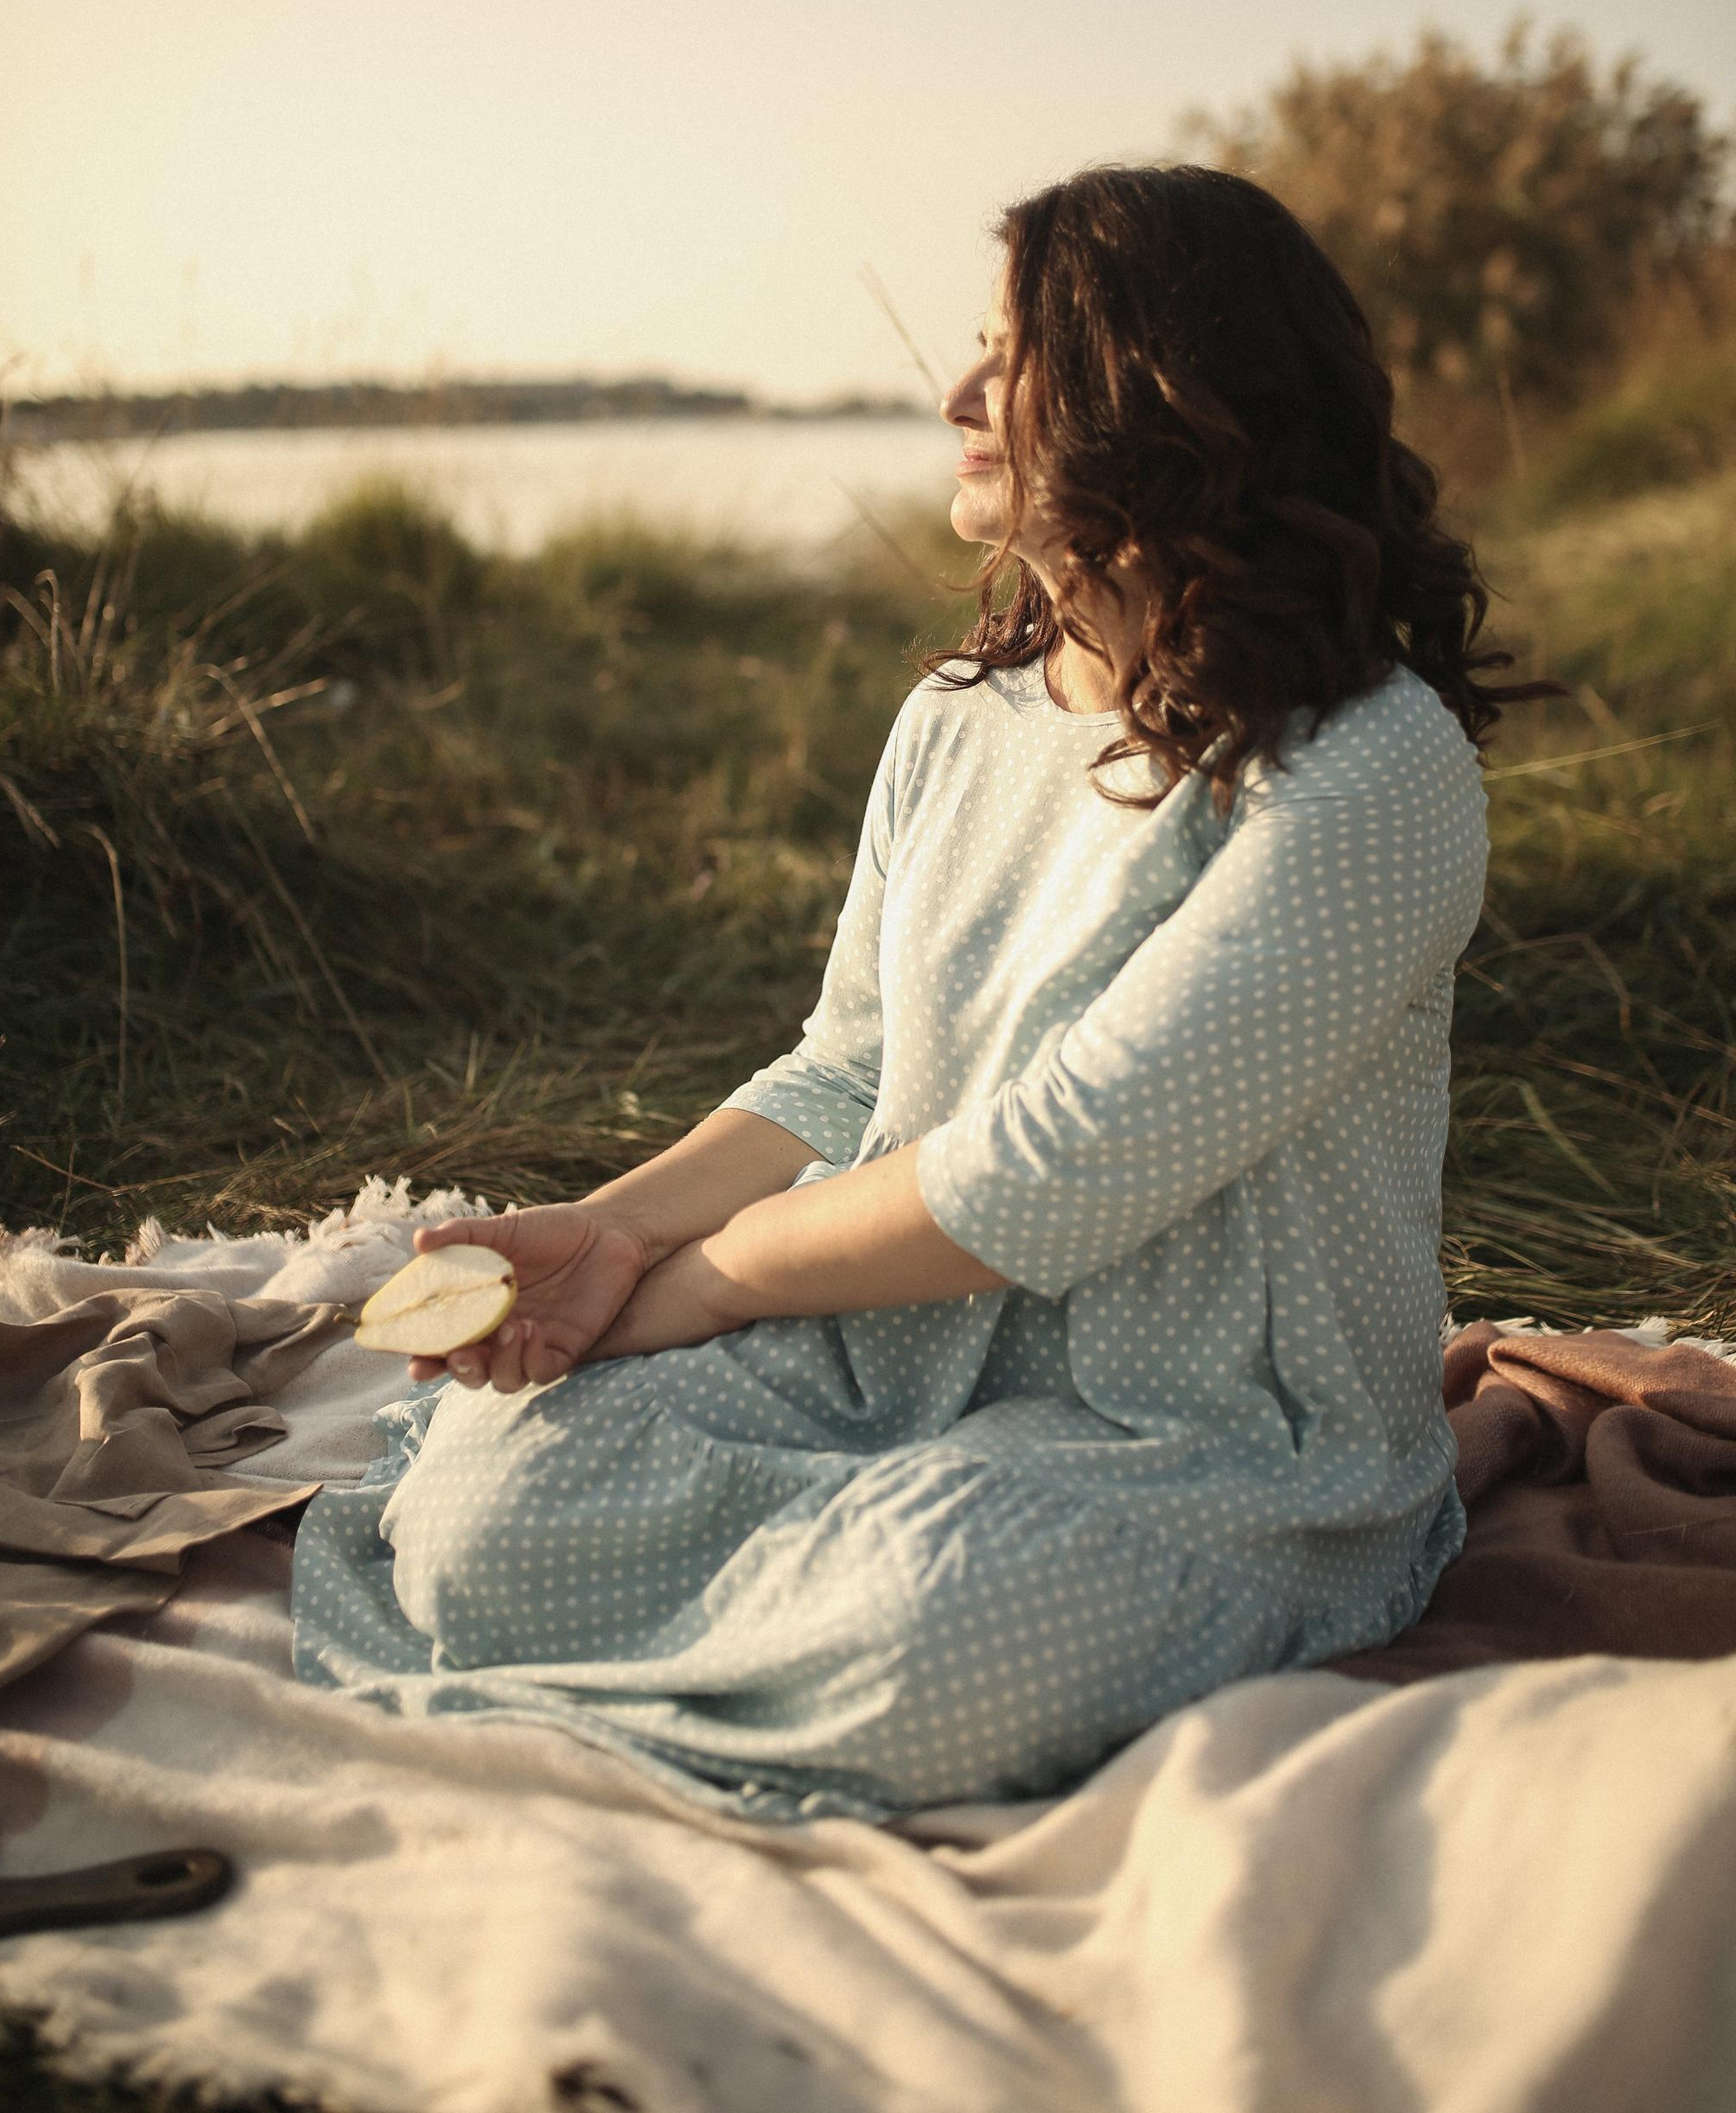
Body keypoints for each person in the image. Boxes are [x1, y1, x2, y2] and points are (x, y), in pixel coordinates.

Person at [289, 163, 1553, 1824]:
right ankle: (764, 1646)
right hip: (890, 1340)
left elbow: (1064, 1160)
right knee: (474, 1518)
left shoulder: (1369, 769)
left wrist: (700, 1289)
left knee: (941, 1623)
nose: (958, 396)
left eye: (1015, 357)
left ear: (1165, 400)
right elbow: (844, 1066)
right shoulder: (959, 722)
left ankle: (840, 1631)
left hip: (1202, 1429)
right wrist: (613, 1233)